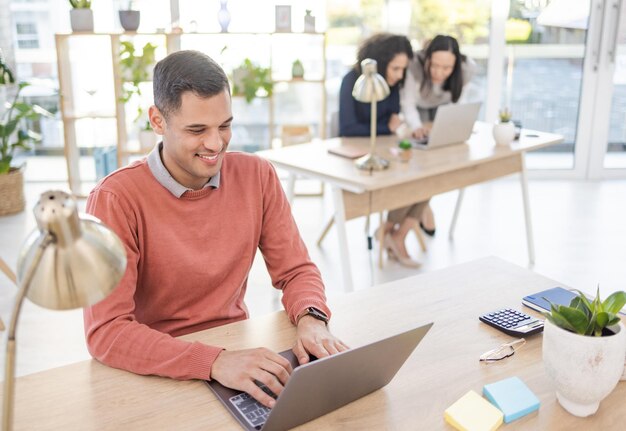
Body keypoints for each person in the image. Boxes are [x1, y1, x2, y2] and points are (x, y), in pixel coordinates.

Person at [83, 50, 348, 409]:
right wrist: (214, 361)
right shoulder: (115, 199)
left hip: (235, 355)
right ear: (157, 121)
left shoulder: (257, 176)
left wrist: (312, 318)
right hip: (157, 370)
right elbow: (107, 332)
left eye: (224, 126)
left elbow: (296, 270)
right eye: (197, 130)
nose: (215, 144)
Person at [338, 33, 427, 268]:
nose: (399, 75)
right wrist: (384, 127)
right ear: (380, 61)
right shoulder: (352, 80)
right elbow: (347, 128)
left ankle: (392, 233)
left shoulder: (392, 83)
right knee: (408, 181)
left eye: (403, 69)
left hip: (385, 151)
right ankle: (390, 235)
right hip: (356, 158)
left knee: (425, 177)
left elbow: (394, 123)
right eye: (395, 68)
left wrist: (395, 128)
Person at [399, 35, 476, 237]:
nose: (439, 73)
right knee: (418, 162)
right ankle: (423, 208)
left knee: (437, 162)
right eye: (435, 66)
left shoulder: (467, 69)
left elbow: (458, 104)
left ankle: (423, 204)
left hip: (443, 109)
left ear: (456, 65)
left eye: (447, 68)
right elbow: (407, 103)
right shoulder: (414, 66)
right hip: (418, 110)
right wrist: (416, 126)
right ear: (427, 59)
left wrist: (447, 125)